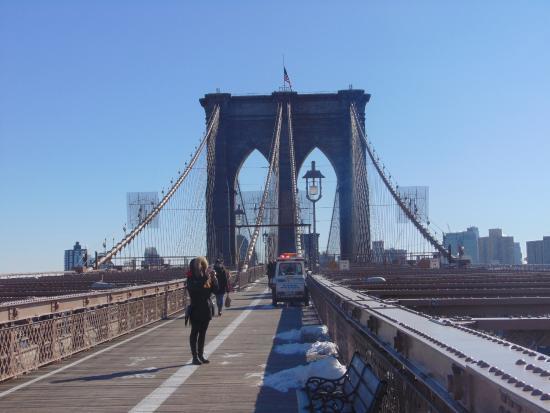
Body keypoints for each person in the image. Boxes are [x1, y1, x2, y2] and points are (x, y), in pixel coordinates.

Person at [186, 256, 218, 365]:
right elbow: (196, 289)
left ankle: (201, 355)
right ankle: (195, 356)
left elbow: (215, 290)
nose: (201, 268)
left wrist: (214, 279)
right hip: (196, 310)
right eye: (200, 267)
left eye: (202, 267)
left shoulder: (206, 277)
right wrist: (206, 278)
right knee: (194, 333)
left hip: (206, 309)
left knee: (203, 334)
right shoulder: (190, 279)